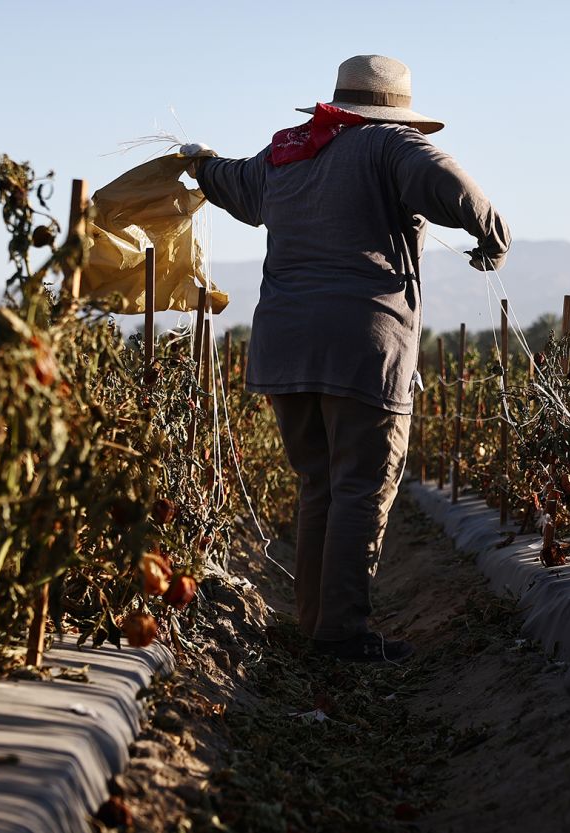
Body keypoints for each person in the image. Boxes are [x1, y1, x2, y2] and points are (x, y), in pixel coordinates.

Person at [184, 54, 509, 663]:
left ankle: (314, 624)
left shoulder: (289, 152)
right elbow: (454, 186)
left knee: (319, 486)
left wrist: (200, 163)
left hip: (284, 347)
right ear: (393, 111)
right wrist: (492, 233)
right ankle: (341, 635)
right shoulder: (390, 145)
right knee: (361, 487)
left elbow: (228, 183)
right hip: (363, 344)